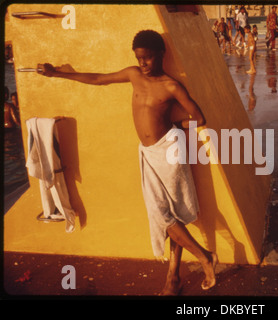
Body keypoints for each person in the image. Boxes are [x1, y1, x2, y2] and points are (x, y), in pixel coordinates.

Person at [37, 30, 218, 295]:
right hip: (147, 153)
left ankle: (187, 270)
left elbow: (199, 118)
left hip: (169, 151)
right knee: (164, 213)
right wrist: (57, 74)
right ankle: (188, 269)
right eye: (139, 58)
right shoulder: (134, 75)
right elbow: (99, 79)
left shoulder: (171, 86)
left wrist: (178, 123)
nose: (143, 64)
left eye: (147, 58)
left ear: (160, 55)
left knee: (169, 214)